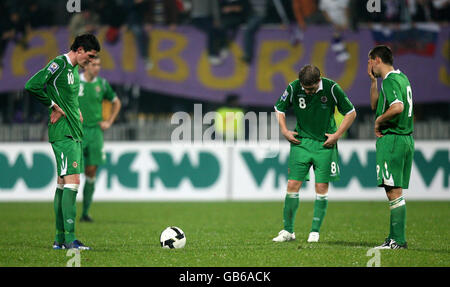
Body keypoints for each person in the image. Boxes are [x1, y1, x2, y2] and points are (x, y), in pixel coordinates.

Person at [25, 34, 101, 250]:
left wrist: (75, 110)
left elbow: (69, 97)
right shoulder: (59, 64)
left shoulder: (74, 71)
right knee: (73, 183)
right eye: (89, 55)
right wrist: (52, 106)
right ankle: (70, 239)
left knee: (62, 184)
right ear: (79, 50)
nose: (91, 60)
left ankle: (60, 239)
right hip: (64, 133)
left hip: (74, 132)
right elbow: (32, 85)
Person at [272, 64, 356, 243]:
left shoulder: (332, 88)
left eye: (311, 88)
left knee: (321, 187)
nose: (308, 92)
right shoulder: (294, 87)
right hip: (300, 143)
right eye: (305, 88)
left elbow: (351, 112)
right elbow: (279, 108)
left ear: (319, 80)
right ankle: (288, 231)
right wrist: (285, 131)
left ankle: (315, 232)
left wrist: (337, 135)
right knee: (292, 185)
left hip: (324, 144)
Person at [368, 45, 413, 250]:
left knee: (393, 191)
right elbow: (376, 106)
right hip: (405, 139)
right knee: (394, 189)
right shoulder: (401, 78)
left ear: (377, 60)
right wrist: (373, 83)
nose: (368, 65)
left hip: (393, 139)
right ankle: (394, 237)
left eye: (369, 61)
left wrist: (379, 122)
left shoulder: (391, 81)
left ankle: (398, 241)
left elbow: (397, 107)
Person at [78, 57, 121, 222]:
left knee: (91, 171)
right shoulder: (75, 82)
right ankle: (66, 214)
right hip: (78, 132)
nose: (97, 68)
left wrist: (109, 121)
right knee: (71, 174)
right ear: (86, 66)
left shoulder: (102, 84)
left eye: (99, 65)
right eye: (94, 64)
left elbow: (117, 102)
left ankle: (85, 213)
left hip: (96, 131)